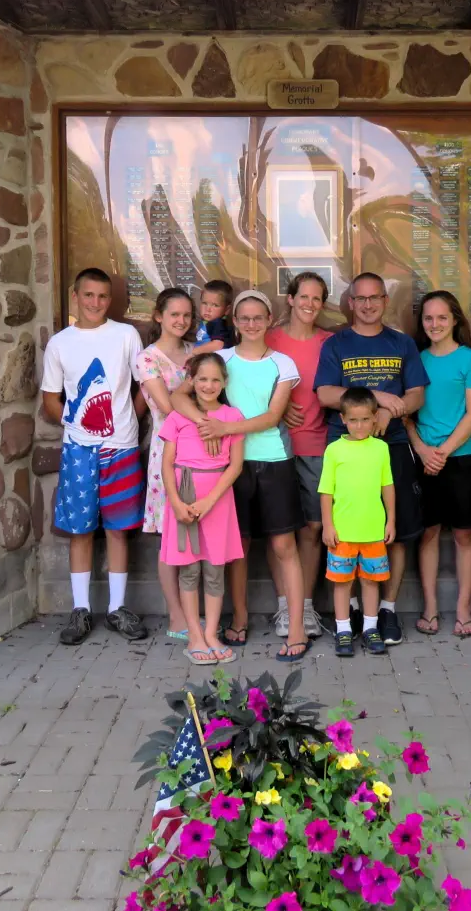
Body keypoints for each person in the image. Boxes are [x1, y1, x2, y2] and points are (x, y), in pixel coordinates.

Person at [172, 290, 310, 662]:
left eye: (258, 317)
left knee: (284, 546)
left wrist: (224, 429)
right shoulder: (221, 360)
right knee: (238, 549)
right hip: (227, 467)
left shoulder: (283, 363)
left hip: (274, 461)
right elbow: (178, 398)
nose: (251, 324)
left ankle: (297, 627)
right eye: (244, 318)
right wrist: (208, 423)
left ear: (270, 321)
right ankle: (240, 619)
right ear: (234, 322)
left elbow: (271, 416)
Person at [315, 272, 428, 647]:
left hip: (391, 446)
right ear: (350, 303)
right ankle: (347, 613)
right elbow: (326, 393)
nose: (367, 305)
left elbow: (415, 395)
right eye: (360, 298)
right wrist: (375, 397)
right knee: (343, 529)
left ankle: (387, 610)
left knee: (393, 534)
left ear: (384, 301)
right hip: (345, 446)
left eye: (375, 297)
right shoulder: (336, 344)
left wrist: (391, 414)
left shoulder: (402, 343)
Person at [41, 267, 147, 646]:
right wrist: (73, 425)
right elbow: (51, 399)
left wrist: (131, 417)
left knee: (119, 529)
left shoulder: (125, 335)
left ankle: (118, 608)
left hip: (122, 446)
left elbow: (144, 382)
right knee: (81, 530)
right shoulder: (60, 344)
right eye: (89, 295)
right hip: (79, 449)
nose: (96, 303)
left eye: (103, 296)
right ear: (75, 295)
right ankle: (81, 609)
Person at [406, 291, 471, 639]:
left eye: (442, 317)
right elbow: (406, 414)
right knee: (429, 533)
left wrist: (444, 452)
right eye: (428, 318)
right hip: (423, 458)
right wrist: (424, 450)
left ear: (455, 319)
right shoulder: (416, 359)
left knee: (465, 534)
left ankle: (464, 608)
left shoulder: (470, 360)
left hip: (461, 457)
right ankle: (430, 607)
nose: (435, 324)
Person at [159, 354, 245, 666]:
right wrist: (176, 501)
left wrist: (210, 501)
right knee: (190, 568)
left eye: (215, 379)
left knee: (214, 568)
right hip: (184, 495)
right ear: (192, 381)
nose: (208, 385)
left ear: (224, 383)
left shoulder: (232, 416)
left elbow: (235, 466)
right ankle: (193, 634)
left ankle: (211, 633)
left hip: (218, 499)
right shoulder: (178, 417)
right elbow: (167, 464)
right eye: (202, 379)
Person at [267, 271, 332, 640]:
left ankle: (304, 606)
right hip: (273, 446)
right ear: (290, 299)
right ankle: (282, 607)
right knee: (280, 530)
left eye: (317, 299)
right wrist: (278, 404)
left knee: (312, 528)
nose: (309, 304)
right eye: (303, 296)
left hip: (317, 444)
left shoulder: (329, 342)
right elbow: (247, 378)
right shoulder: (270, 338)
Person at [134, 287, 195, 641]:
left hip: (202, 450)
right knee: (170, 536)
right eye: (174, 314)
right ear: (159, 316)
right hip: (168, 450)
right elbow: (169, 406)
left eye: (187, 315)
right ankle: (175, 614)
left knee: (195, 532)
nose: (181, 321)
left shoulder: (193, 350)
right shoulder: (148, 358)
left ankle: (195, 609)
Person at [319, 388, 395, 658]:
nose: (359, 425)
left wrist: (391, 521)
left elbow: (388, 487)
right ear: (343, 418)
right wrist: (328, 525)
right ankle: (342, 630)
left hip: (373, 530)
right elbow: (326, 492)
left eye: (365, 419)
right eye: (353, 420)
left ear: (375, 418)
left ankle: (371, 628)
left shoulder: (381, 449)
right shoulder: (334, 450)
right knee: (342, 583)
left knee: (371, 581)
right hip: (342, 533)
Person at [193, 279, 234, 355]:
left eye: (215, 305)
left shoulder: (218, 323)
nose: (208, 309)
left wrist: (194, 352)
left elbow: (218, 344)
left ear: (227, 310)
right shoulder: (206, 322)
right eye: (204, 303)